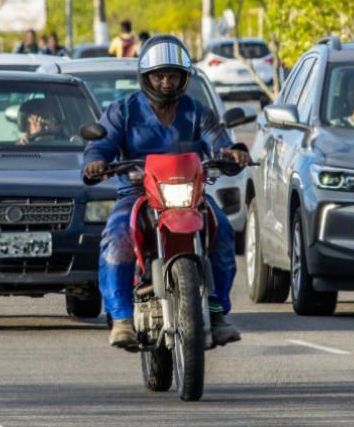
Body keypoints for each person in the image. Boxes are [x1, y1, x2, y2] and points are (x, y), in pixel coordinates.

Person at [83, 35, 249, 348]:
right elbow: (101, 145)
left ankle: (216, 312)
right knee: (117, 234)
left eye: (172, 76)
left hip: (190, 194)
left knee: (223, 231)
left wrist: (233, 152)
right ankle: (120, 318)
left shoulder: (197, 112)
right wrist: (95, 161)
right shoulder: (124, 110)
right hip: (137, 192)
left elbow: (219, 140)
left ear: (184, 78)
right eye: (159, 76)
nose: (165, 83)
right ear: (146, 77)